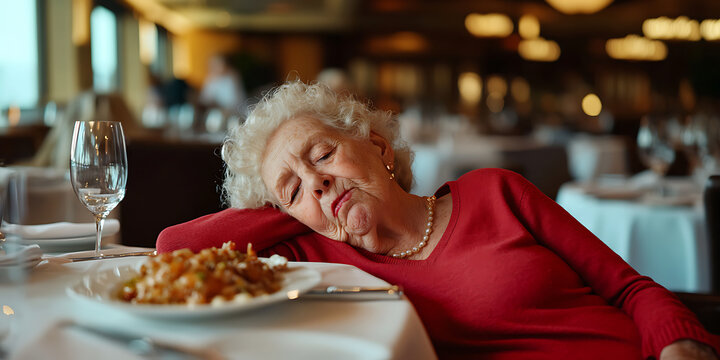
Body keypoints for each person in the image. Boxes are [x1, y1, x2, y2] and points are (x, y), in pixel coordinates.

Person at [157, 81, 719, 359]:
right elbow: (172, 247)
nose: (316, 181)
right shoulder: (318, 258)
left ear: (376, 145)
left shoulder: (496, 192)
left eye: (323, 154)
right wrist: (302, 209)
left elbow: (631, 288)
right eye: (292, 188)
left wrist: (679, 347)